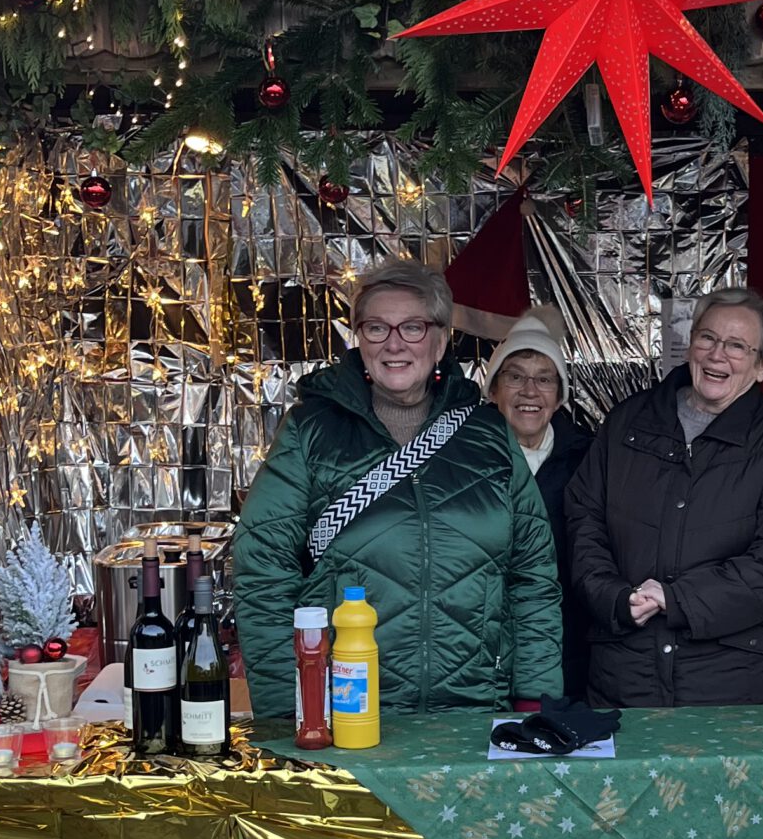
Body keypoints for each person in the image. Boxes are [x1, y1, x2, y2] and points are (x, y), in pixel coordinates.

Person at [234, 259, 564, 726]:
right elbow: (262, 574)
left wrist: (536, 701)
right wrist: (292, 710)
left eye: (412, 327)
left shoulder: (489, 435)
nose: (393, 344)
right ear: (359, 339)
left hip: (475, 712)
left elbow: (533, 577)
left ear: (441, 340)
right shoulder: (310, 432)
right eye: (376, 328)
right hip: (347, 712)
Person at [565, 285, 763, 707]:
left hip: (731, 680)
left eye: (737, 346)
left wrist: (677, 598)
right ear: (690, 345)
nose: (717, 354)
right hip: (626, 673)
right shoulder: (629, 420)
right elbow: (583, 518)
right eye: (708, 337)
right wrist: (613, 596)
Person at [484, 312, 594, 698]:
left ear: (560, 395)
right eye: (515, 376)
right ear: (493, 390)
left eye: (544, 379)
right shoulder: (462, 458)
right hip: (480, 648)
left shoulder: (589, 461)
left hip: (564, 649)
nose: (530, 391)